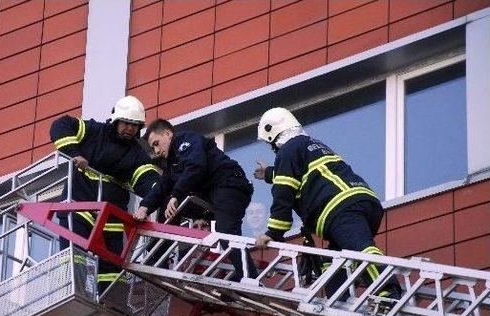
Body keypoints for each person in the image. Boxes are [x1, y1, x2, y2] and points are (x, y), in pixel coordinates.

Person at [253, 107, 401, 301]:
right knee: (335, 261)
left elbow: (284, 194)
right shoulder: (311, 144)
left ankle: (389, 293)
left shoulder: (288, 151)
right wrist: (271, 173)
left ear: (274, 133)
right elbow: (308, 172)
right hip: (361, 202)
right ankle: (340, 300)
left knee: (361, 250)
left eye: (270, 144)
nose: (273, 149)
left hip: (341, 208)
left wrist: (273, 233)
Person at [50, 95, 160, 293]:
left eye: (134, 125)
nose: (130, 129)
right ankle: (76, 292)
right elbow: (61, 125)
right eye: (126, 123)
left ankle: (113, 301)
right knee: (77, 255)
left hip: (111, 216)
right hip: (79, 206)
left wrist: (164, 194)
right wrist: (75, 153)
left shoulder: (136, 154)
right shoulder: (94, 132)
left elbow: (147, 180)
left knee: (111, 265)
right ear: (116, 120)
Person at [133, 119, 257, 281]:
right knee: (167, 203)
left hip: (229, 186)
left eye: (157, 143)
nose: (156, 150)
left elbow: (196, 166)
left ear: (168, 134)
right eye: (153, 147)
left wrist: (176, 194)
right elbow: (162, 187)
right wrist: (144, 207)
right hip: (212, 197)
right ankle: (159, 256)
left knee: (226, 231)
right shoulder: (172, 164)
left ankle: (250, 278)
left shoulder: (186, 140)